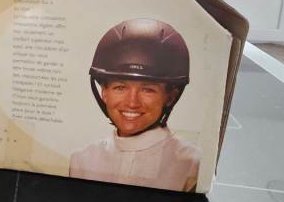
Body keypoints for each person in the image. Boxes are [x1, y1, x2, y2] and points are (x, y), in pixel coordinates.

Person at [69, 18, 201, 192]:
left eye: (148, 90)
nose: (132, 103)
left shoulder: (192, 165)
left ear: (170, 96)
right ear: (104, 92)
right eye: (120, 87)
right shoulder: (81, 160)